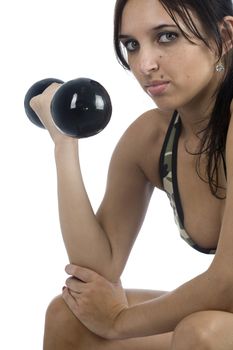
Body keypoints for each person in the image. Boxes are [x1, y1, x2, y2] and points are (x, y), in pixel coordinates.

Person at [30, 0, 233, 349]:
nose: (144, 64)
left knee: (203, 334)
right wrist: (65, 141)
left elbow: (227, 282)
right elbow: (97, 271)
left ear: (226, 36)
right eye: (131, 45)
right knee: (69, 317)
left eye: (167, 37)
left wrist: (119, 322)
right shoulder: (152, 138)